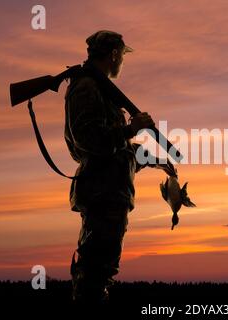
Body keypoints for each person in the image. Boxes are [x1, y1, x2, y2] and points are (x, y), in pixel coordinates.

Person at [64, 30, 176, 302]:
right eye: (122, 56)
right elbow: (87, 140)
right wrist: (130, 129)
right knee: (95, 273)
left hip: (110, 192)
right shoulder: (87, 87)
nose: (122, 63)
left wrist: (156, 159)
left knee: (101, 270)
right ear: (114, 54)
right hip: (102, 194)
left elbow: (115, 152)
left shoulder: (99, 87)